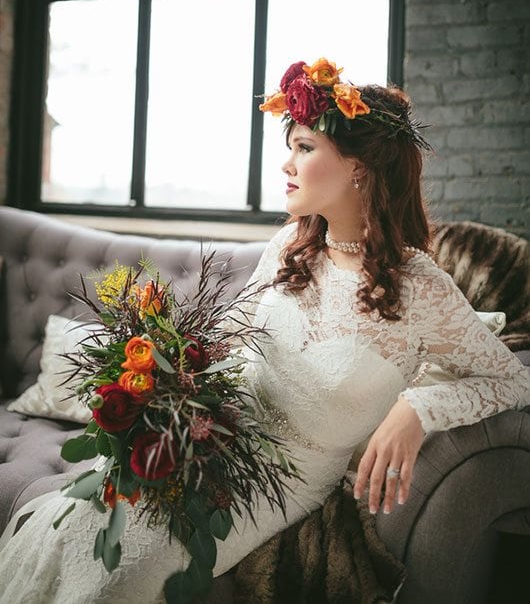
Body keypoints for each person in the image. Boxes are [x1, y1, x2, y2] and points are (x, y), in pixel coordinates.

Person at [0, 57, 529, 603]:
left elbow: (514, 380)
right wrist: (169, 389)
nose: (286, 164)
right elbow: (231, 336)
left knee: (116, 576)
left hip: (275, 481)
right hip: (211, 442)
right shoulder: (289, 248)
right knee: (73, 533)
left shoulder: (420, 287)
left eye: (304, 148)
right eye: (291, 147)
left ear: (358, 168)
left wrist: (418, 408)